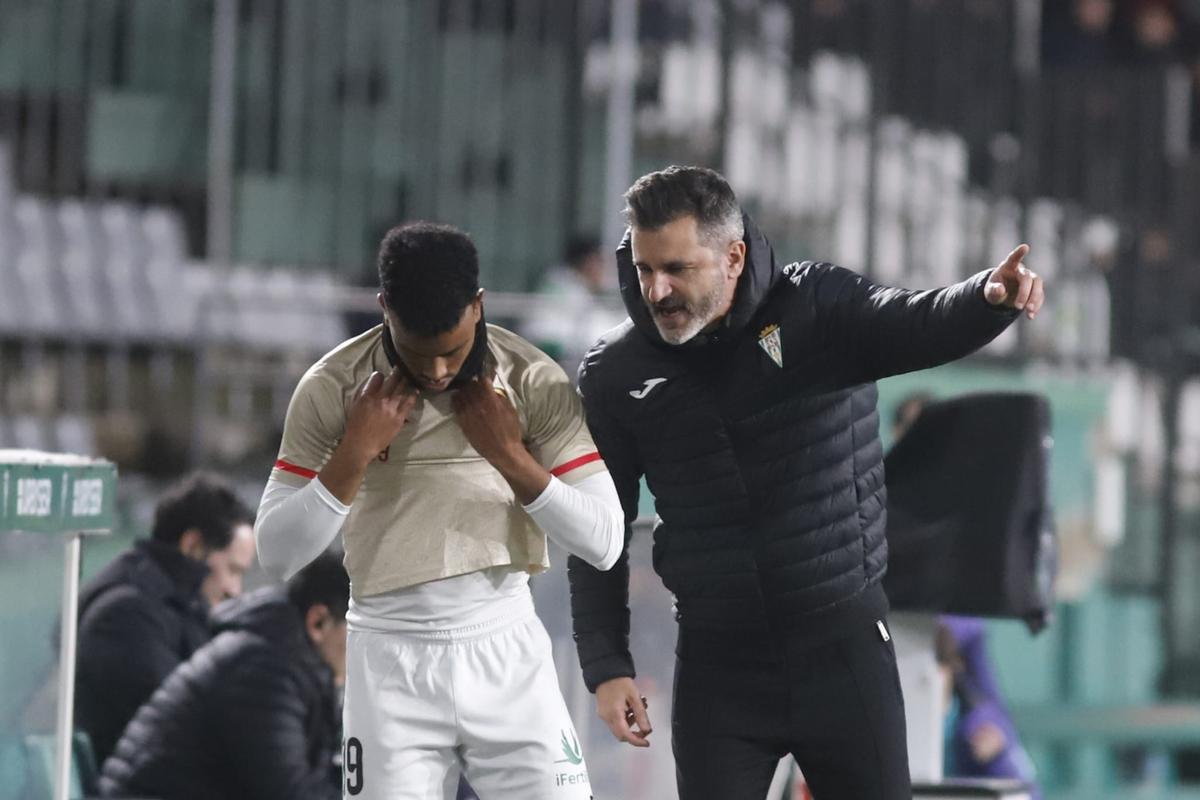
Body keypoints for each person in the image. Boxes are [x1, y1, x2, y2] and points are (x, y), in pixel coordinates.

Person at [567, 165, 1046, 800]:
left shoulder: (816, 306)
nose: (656, 291)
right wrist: (606, 665)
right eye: (645, 268)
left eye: (678, 269)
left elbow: (914, 321)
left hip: (842, 653)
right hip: (718, 666)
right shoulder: (614, 372)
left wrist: (987, 297)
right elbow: (599, 523)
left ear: (733, 257)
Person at [253, 221, 625, 800]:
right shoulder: (332, 387)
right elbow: (276, 555)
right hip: (387, 658)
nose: (436, 372)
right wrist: (353, 452)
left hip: (505, 649)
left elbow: (605, 540)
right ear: (383, 308)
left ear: (478, 306)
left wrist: (510, 456)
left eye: (451, 352)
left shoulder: (532, 380)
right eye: (417, 352)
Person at [98, 552, 349, 799]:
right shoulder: (263, 670)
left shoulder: (281, 660)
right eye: (360, 630)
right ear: (319, 622)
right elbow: (289, 792)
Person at [75, 472, 255, 765]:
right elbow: (180, 725)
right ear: (193, 546)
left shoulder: (176, 605)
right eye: (232, 571)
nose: (235, 591)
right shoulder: (127, 615)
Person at [522, 233, 626, 377]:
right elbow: (546, 334)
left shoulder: (575, 287)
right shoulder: (565, 289)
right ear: (588, 263)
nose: (606, 270)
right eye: (601, 262)